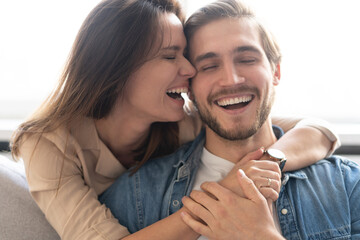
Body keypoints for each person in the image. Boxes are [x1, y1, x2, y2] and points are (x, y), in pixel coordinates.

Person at [10, 0, 339, 239]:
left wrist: (268, 160)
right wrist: (223, 194)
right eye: (170, 57)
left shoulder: (184, 120)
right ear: (118, 69)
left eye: (185, 54)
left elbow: (319, 132)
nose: (189, 69)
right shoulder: (47, 144)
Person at [99, 0, 360, 239]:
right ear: (189, 86)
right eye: (209, 66)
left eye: (247, 59)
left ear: (276, 71)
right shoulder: (135, 196)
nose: (232, 80)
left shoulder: (347, 186)